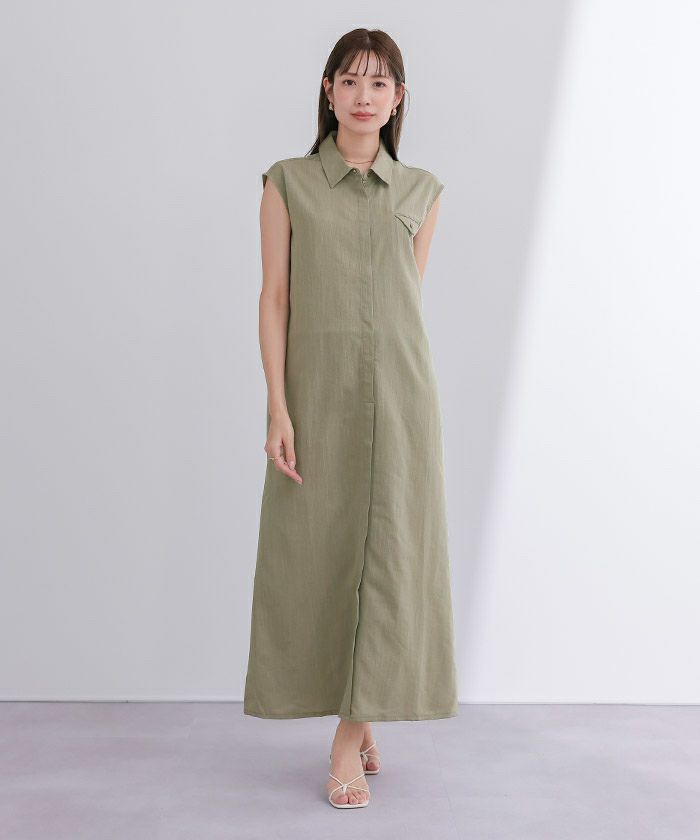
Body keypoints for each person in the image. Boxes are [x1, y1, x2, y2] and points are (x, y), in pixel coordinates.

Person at [244, 28, 458, 809]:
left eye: (380, 82)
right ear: (328, 90)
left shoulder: (422, 192)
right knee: (320, 556)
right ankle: (357, 710)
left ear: (399, 99)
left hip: (401, 399)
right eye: (351, 80)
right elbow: (275, 298)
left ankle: (348, 735)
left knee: (391, 560)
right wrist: (278, 404)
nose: (364, 95)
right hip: (318, 398)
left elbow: (405, 303)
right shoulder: (288, 183)